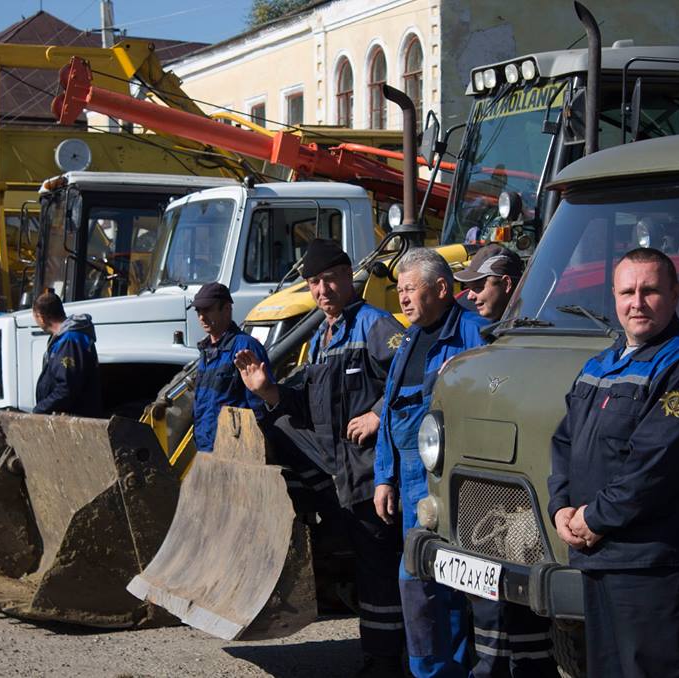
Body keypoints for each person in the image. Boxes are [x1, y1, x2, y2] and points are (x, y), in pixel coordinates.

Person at [234, 238, 407, 676]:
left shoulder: (376, 324)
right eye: (314, 282)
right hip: (344, 479)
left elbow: (412, 380)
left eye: (329, 279)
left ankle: (388, 662)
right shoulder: (324, 338)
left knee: (381, 573)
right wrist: (268, 391)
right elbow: (307, 403)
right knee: (370, 573)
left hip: (375, 475)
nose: (322, 290)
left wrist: (375, 413)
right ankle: (377, 655)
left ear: (349, 277)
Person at [547, 248, 679, 677]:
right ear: (613, 295)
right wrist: (561, 508)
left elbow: (657, 463)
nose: (637, 302)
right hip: (602, 557)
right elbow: (565, 442)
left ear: (676, 293)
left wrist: (595, 518)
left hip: (655, 565)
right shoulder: (600, 365)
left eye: (650, 291)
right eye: (627, 291)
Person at [372, 248, 487, 677]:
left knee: (452, 587)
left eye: (410, 289)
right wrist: (384, 477)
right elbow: (390, 415)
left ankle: (448, 670)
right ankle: (432, 672)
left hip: (456, 484)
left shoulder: (476, 335)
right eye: (399, 290)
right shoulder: (408, 340)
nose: (402, 298)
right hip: (412, 484)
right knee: (420, 586)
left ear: (441, 288)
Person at [455, 246, 559, 677]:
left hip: (526, 503)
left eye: (482, 285)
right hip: (485, 497)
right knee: (491, 610)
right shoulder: (486, 340)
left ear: (512, 285)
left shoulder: (544, 340)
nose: (473, 294)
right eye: (469, 286)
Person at [190, 282, 271, 453]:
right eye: (198, 311)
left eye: (207, 310)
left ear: (227, 309)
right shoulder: (206, 351)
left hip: (234, 450)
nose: (201, 317)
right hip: (206, 448)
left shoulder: (245, 347)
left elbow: (260, 404)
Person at [32, 290, 102, 417]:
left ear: (41, 317)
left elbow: (66, 388)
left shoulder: (70, 340)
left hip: (76, 417)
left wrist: (39, 410)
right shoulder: (63, 338)